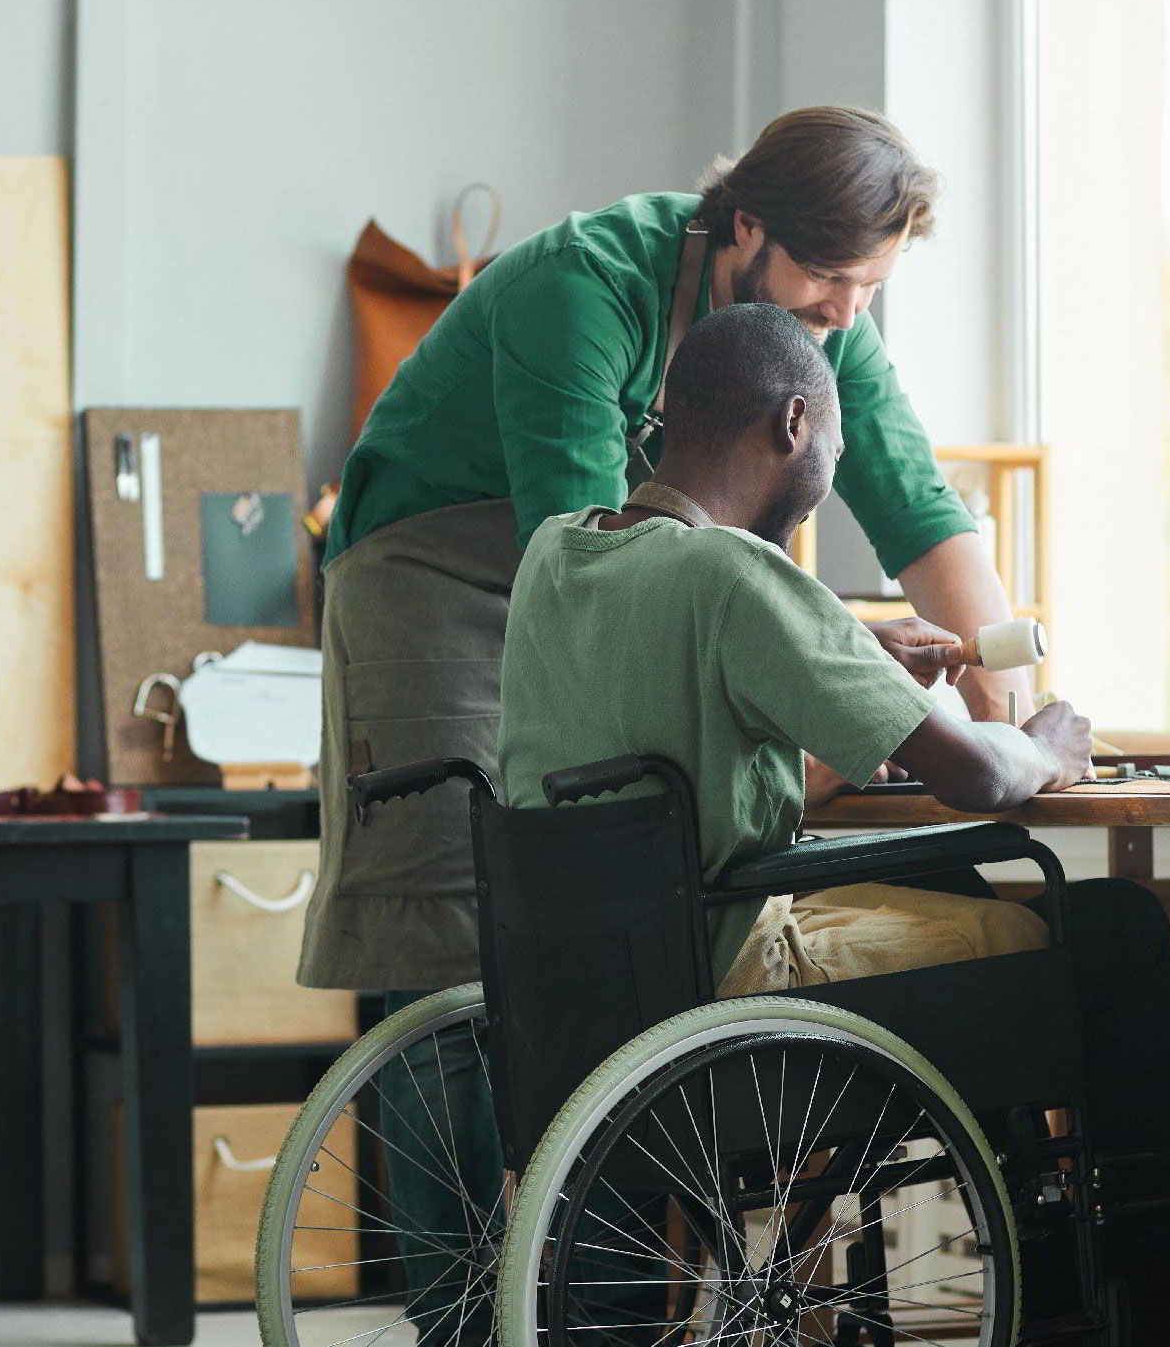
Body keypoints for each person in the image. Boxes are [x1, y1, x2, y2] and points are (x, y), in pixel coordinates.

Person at [496, 302, 1170, 1342]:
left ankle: (1044, 1252)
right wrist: (1045, 746)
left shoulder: (558, 556)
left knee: (953, 894)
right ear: (792, 425)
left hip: (597, 983)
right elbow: (970, 777)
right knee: (1108, 931)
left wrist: (856, 661)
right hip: (731, 978)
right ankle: (1127, 1288)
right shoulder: (736, 575)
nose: (831, 456)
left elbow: (683, 741)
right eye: (833, 435)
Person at [304, 104, 1024, 997]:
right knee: (464, 920)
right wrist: (823, 659)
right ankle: (478, 1138)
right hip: (435, 573)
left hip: (607, 572)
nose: (845, 311)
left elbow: (916, 504)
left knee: (627, 878)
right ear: (747, 226)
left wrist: (1003, 692)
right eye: (831, 276)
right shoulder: (580, 286)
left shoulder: (829, 322)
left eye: (871, 285)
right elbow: (589, 581)